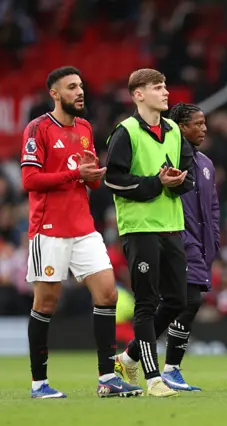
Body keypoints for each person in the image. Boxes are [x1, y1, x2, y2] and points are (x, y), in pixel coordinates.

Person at [21, 66, 142, 398]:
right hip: (49, 229)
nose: (80, 92)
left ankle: (108, 378)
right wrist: (73, 176)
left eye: (81, 86)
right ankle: (39, 384)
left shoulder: (86, 127)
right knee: (46, 303)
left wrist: (90, 174)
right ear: (55, 94)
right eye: (71, 87)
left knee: (108, 294)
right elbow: (29, 181)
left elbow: (87, 181)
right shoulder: (38, 129)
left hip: (83, 228)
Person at [105, 68, 195, 398]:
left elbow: (189, 176)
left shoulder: (173, 130)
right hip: (139, 228)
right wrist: (157, 182)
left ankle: (128, 356)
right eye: (158, 87)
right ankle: (153, 378)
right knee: (146, 303)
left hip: (171, 225)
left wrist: (177, 180)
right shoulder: (125, 131)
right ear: (138, 95)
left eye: (165, 85)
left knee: (177, 301)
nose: (166, 92)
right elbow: (113, 179)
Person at [124, 102, 217, 392]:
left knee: (182, 302)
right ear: (180, 127)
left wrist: (212, 240)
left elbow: (212, 208)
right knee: (187, 301)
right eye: (197, 124)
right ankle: (171, 369)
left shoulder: (206, 165)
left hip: (200, 245)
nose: (203, 129)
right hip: (176, 239)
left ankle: (129, 356)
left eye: (204, 123)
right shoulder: (167, 158)